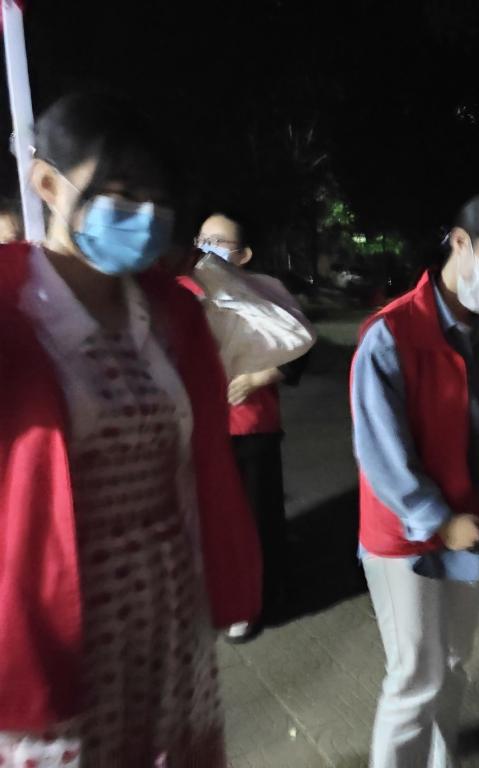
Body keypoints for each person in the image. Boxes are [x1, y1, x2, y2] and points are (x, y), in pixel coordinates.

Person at [0, 92, 260, 767]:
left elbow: (200, 460)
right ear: (47, 183)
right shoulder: (11, 312)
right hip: (54, 622)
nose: (144, 217)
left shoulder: (171, 314)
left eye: (157, 199)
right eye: (119, 193)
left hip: (169, 608)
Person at [350, 192, 479, 767]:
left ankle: (442, 759)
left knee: (453, 661)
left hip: (469, 525)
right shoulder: (391, 333)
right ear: (460, 242)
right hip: (405, 535)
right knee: (415, 675)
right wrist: (438, 519)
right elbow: (382, 452)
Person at [186, 210, 316, 641]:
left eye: (218, 242)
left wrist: (257, 378)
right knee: (211, 520)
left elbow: (300, 350)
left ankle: (259, 598)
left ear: (243, 254)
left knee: (258, 519)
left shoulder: (267, 290)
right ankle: (220, 594)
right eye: (202, 239)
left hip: (252, 427)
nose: (207, 248)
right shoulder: (187, 288)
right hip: (201, 430)